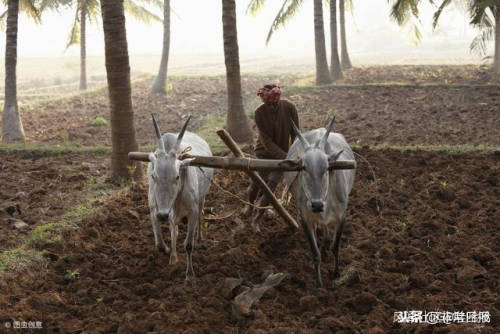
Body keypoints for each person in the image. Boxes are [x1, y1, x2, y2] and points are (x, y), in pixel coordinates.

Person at [244, 84, 299, 232]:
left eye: (272, 103)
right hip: (263, 153)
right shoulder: (259, 113)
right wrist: (286, 157)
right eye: (266, 103)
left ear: (277, 99)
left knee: (271, 187)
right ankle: (249, 205)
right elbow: (266, 141)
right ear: (263, 100)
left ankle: (256, 218)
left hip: (284, 156)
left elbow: (296, 134)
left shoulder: (290, 107)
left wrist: (295, 154)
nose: (270, 106)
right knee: (256, 184)